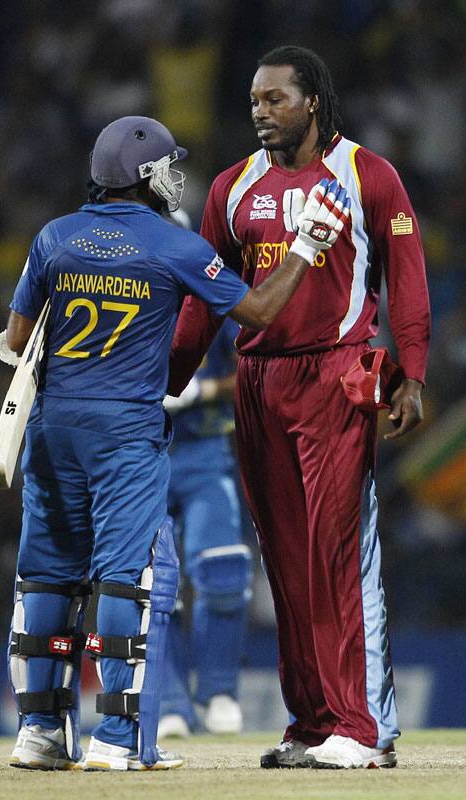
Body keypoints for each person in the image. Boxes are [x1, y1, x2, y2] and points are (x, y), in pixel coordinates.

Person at [0, 113, 351, 771]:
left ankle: (40, 734)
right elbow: (260, 313)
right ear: (150, 174)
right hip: (126, 436)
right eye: (169, 165)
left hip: (53, 430)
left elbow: (17, 342)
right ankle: (117, 740)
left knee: (45, 576)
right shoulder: (175, 245)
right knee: (124, 577)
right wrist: (305, 245)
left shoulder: (53, 237)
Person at [167, 46, 430, 770]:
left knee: (336, 555)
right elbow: (200, 306)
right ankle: (313, 721)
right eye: (254, 99)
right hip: (257, 383)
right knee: (283, 562)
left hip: (337, 375)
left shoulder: (367, 175)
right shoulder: (231, 187)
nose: (260, 110)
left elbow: (406, 277)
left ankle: (363, 728)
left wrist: (414, 371)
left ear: (312, 100)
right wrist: (167, 383)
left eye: (275, 98)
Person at [159, 317, 250, 738]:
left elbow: (250, 367)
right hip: (140, 448)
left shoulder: (212, 292)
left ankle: (218, 693)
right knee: (153, 583)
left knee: (222, 569)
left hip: (204, 449)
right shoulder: (127, 286)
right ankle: (167, 702)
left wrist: (203, 389)